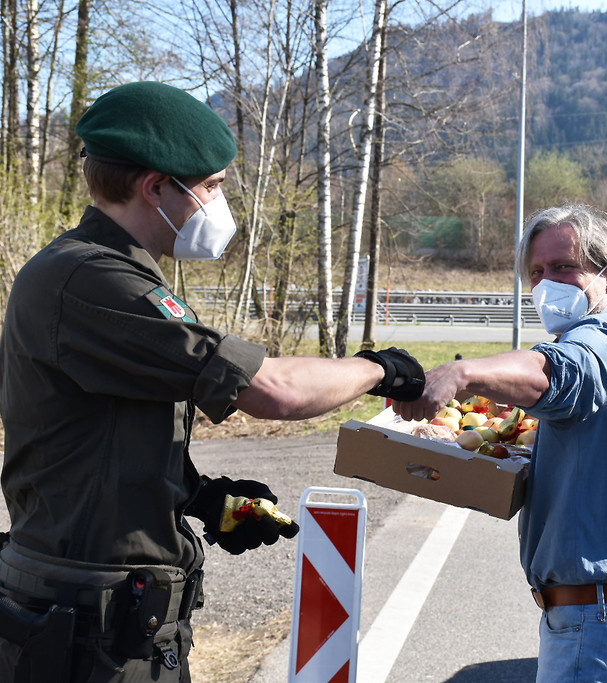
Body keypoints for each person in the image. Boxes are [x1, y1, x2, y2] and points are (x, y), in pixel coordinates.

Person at [0, 81, 423, 682]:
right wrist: (384, 370)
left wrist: (198, 498)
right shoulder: (92, 279)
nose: (220, 202)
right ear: (156, 188)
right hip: (88, 621)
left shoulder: (102, 271)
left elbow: (100, 432)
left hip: (98, 606)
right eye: (212, 186)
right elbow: (273, 389)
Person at [393, 203, 607, 683]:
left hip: (599, 621)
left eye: (564, 267)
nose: (547, 283)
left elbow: (553, 372)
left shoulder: (600, 343)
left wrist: (463, 373)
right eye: (537, 272)